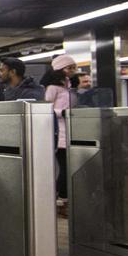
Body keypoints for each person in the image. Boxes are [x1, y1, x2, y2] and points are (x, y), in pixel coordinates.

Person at [44, 65, 71, 215]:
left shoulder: (69, 88)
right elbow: (46, 107)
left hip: (71, 132)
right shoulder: (53, 88)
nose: (72, 71)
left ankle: (62, 198)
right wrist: (63, 112)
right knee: (64, 168)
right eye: (69, 67)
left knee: (68, 168)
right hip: (59, 133)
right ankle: (60, 198)